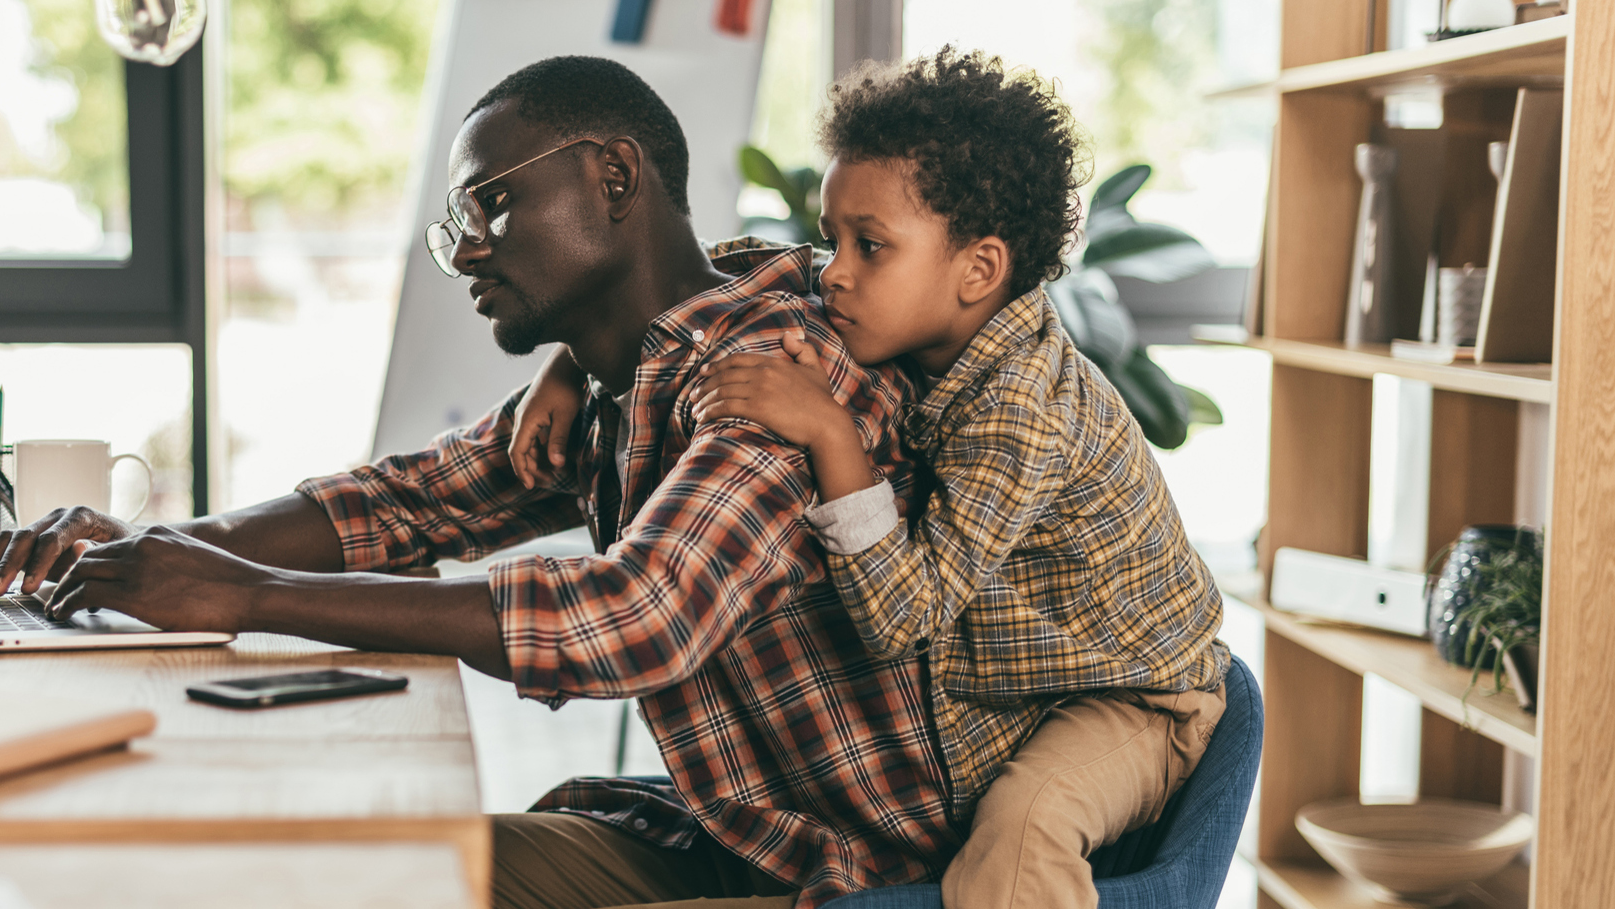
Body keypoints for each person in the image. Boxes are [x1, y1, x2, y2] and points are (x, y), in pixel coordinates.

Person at [0, 56, 957, 909]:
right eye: (462, 221)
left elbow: (637, 617)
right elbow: (405, 500)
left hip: (850, 876)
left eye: (492, 202)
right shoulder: (624, 381)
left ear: (613, 175)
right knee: (338, 866)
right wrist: (154, 552)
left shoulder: (776, 369)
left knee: (358, 880)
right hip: (726, 838)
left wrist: (240, 597)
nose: (469, 251)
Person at [508, 48, 1231, 909]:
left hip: (1132, 699)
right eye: (832, 237)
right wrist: (575, 362)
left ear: (979, 269)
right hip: (1027, 678)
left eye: (870, 246)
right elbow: (733, 275)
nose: (834, 271)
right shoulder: (908, 313)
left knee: (1023, 827)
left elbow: (905, 615)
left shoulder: (1019, 412)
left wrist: (826, 429)